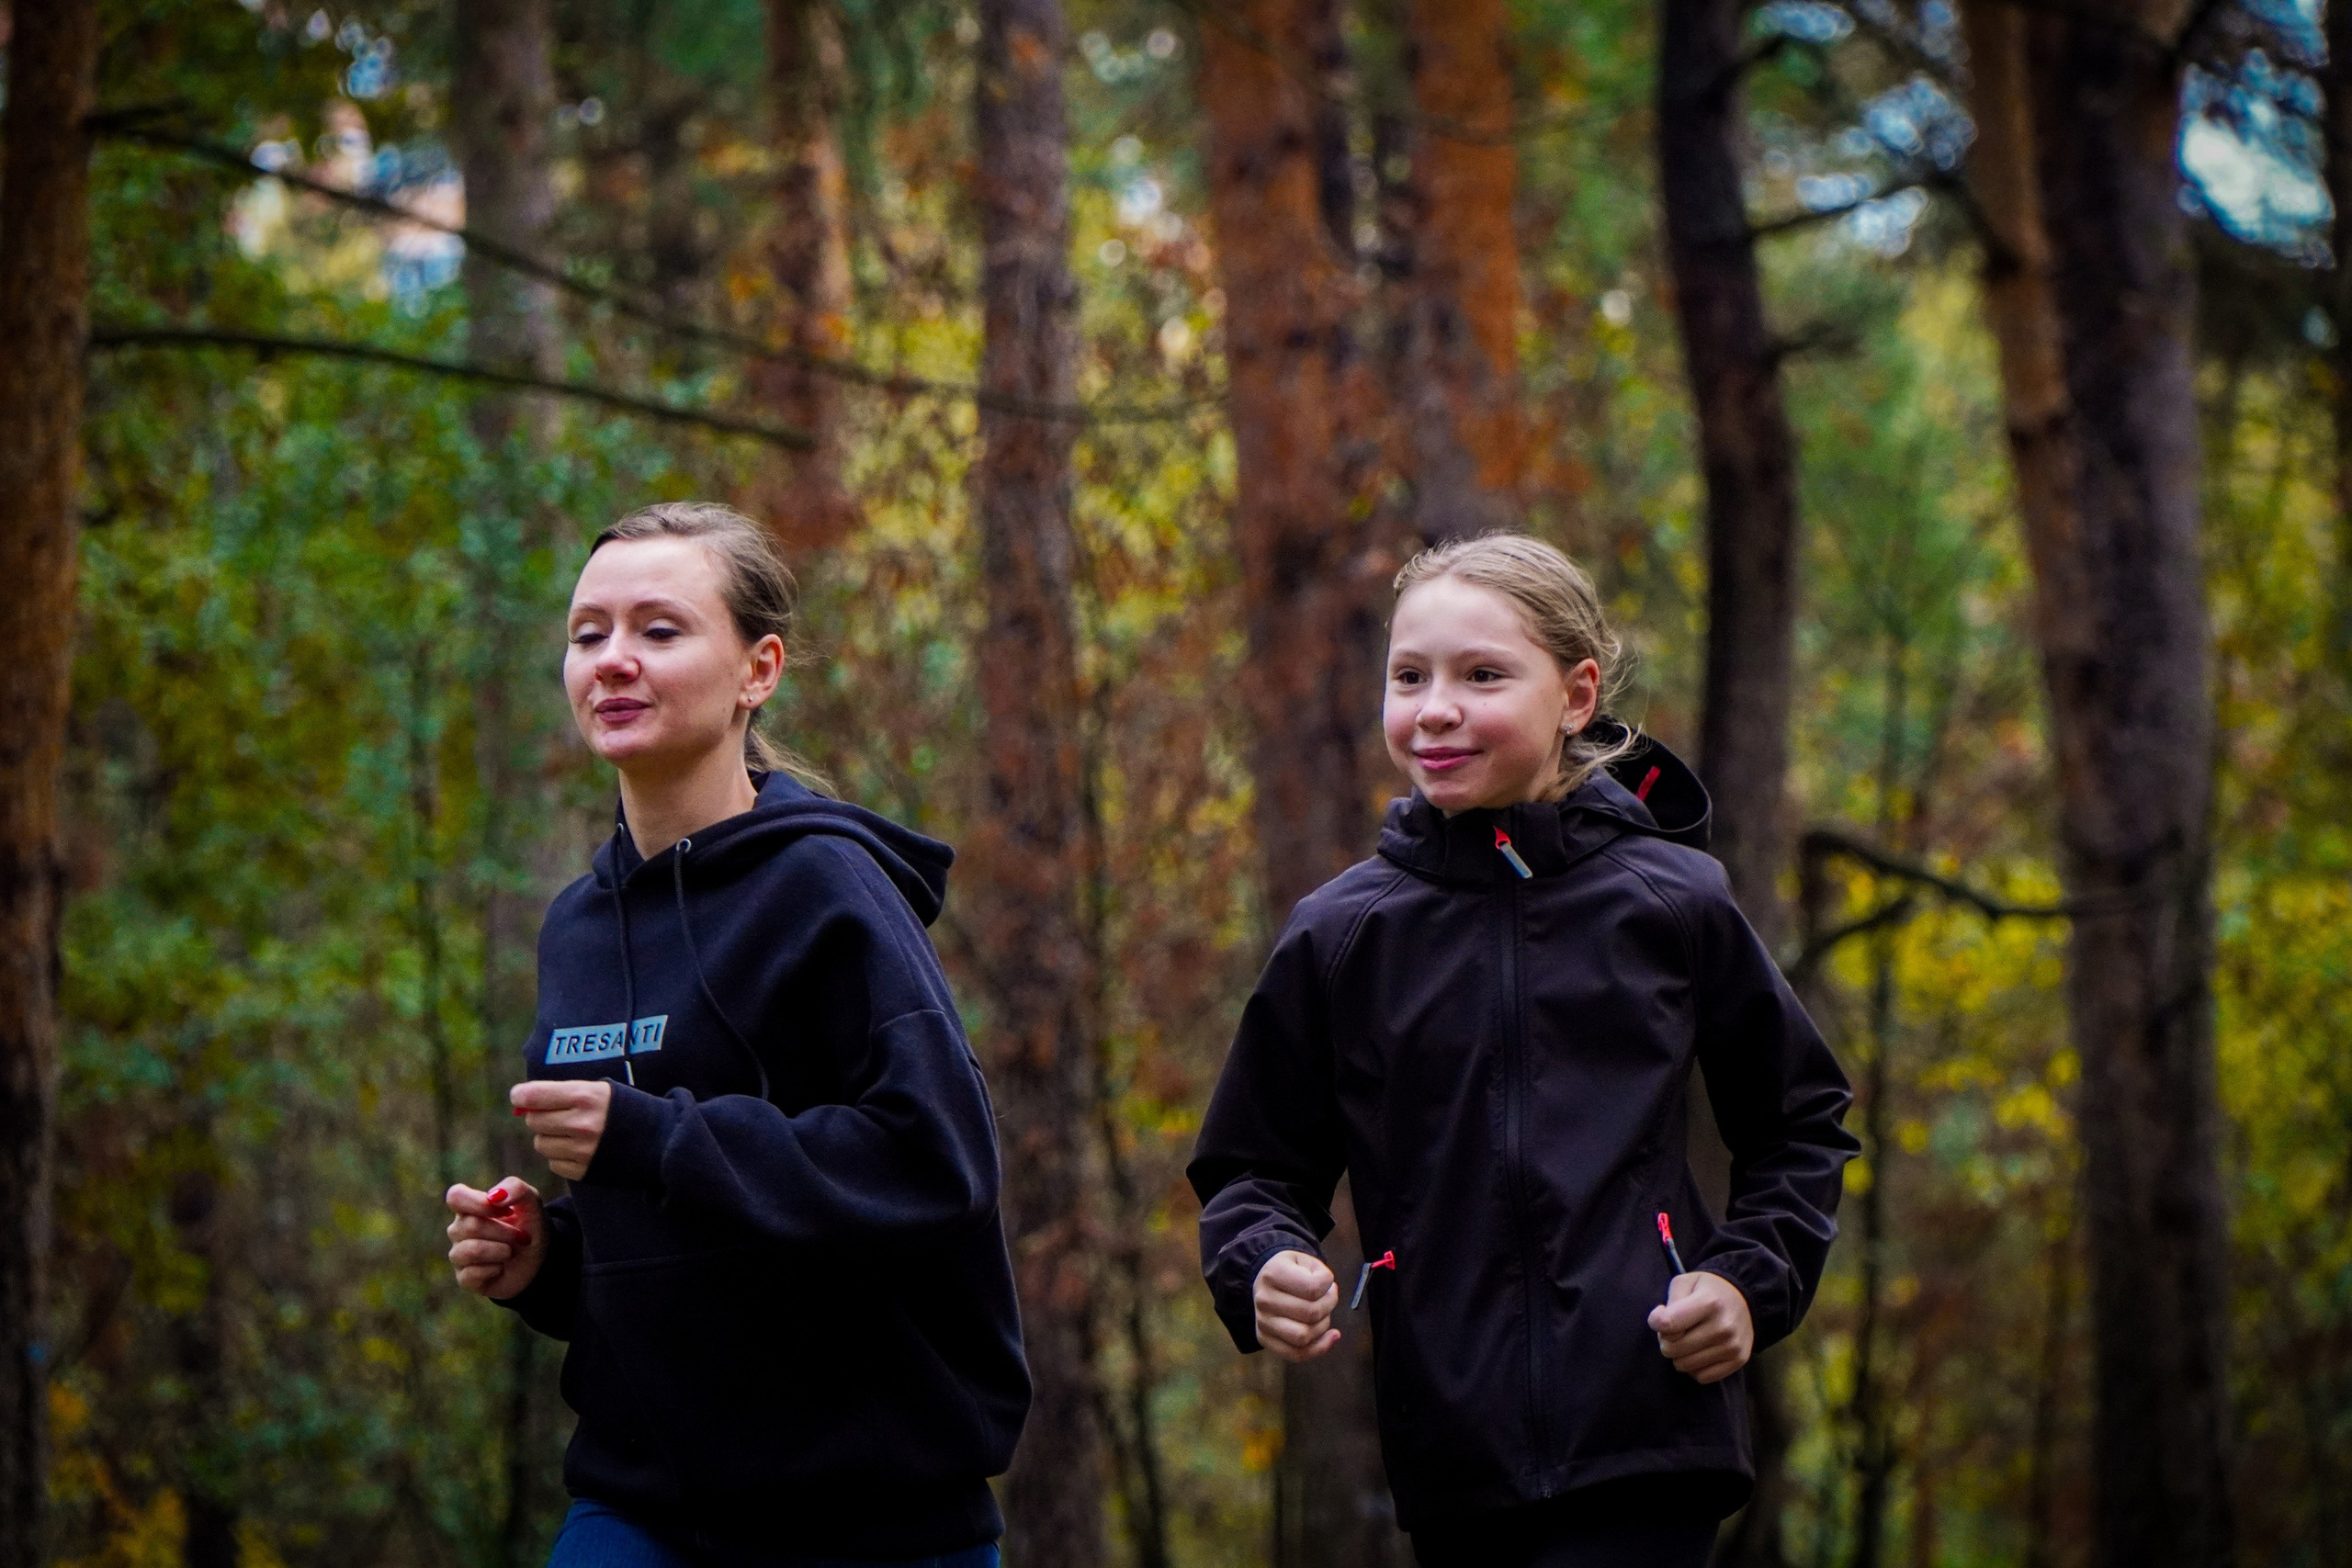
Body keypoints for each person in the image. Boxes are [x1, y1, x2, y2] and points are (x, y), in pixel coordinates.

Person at [1188, 534, 1858, 1568]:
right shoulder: (1340, 934)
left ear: (1576, 695)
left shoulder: (1672, 902)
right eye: (1409, 677)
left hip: (1652, 1431)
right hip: (1449, 1456)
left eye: (1481, 675)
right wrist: (1261, 1260)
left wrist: (1744, 1282)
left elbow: (1800, 1123)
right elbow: (1254, 1166)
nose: (1435, 708)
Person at [443, 502, 1027, 1568]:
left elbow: (934, 1160)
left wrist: (655, 1138)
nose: (613, 661)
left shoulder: (827, 891)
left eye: (659, 631)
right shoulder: (576, 928)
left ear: (758, 670)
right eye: (589, 635)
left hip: (875, 1516)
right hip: (641, 1505)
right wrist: (547, 1264)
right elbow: (668, 1249)